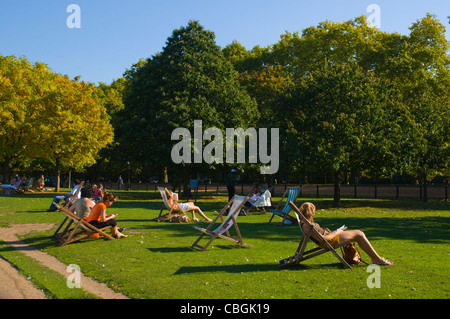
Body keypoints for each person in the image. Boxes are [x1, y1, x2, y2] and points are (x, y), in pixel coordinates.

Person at [298, 202, 394, 266]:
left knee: (359, 233)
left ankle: (376, 259)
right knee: (359, 234)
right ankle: (377, 260)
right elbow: (324, 239)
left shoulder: (304, 222)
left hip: (330, 237)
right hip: (330, 240)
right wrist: (337, 233)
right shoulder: (307, 225)